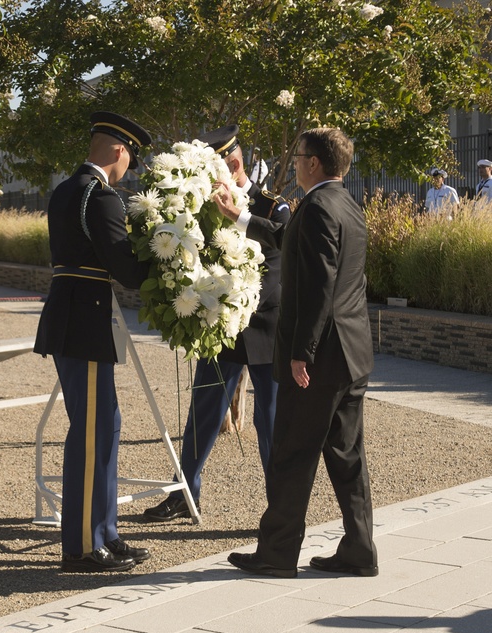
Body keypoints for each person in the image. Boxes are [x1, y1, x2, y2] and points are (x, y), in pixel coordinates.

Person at [228, 127, 377, 579]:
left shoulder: (315, 209)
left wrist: (301, 353)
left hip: (321, 359)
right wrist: (238, 217)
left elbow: (317, 289)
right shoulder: (345, 205)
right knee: (347, 456)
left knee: (292, 452)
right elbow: (286, 240)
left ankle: (276, 553)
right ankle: (359, 549)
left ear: (314, 163)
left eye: (298, 157)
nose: (294, 163)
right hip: (352, 354)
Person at [143, 124, 290, 523]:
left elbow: (281, 263)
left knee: (270, 420)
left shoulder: (271, 205)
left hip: (263, 327)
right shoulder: (203, 207)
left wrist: (242, 304)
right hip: (220, 322)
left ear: (236, 162)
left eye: (223, 165)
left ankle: (281, 506)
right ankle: (184, 494)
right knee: (203, 411)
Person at [33, 111, 152, 573]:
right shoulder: (101, 197)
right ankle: (83, 546)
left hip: (76, 317)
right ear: (119, 151)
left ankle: (106, 531)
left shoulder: (65, 189)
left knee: (106, 425)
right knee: (90, 433)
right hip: (84, 320)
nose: (128, 170)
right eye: (130, 159)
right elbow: (125, 269)